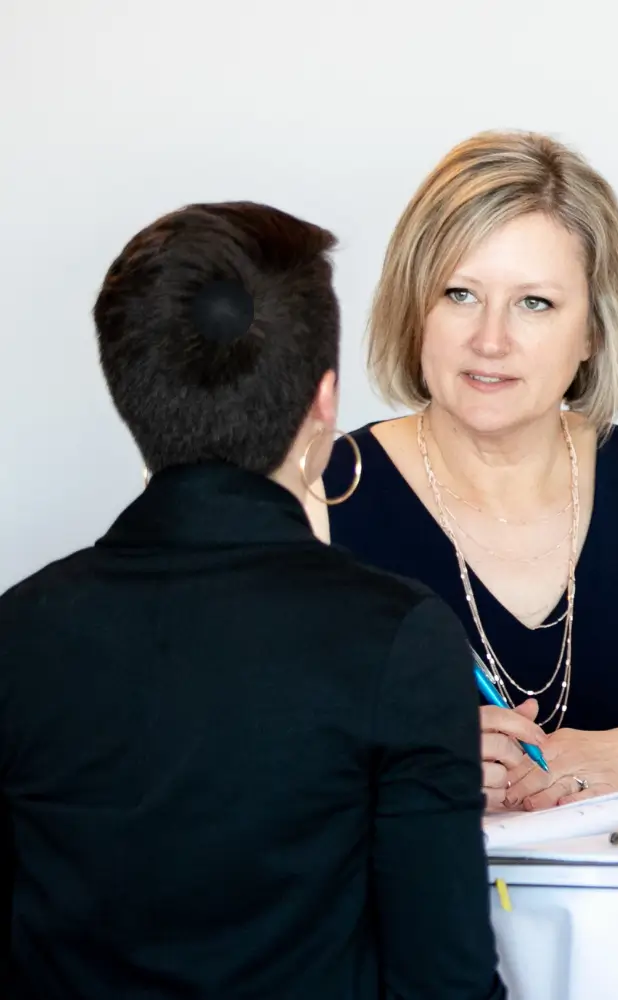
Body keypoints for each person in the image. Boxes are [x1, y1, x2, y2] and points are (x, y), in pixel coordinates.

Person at [0, 202, 505, 998]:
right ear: (325, 400)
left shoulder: (17, 635)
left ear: (126, 386)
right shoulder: (397, 639)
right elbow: (444, 982)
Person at [320, 130, 618, 812]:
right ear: (413, 308)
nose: (490, 339)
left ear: (592, 333)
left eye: (535, 303)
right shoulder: (323, 492)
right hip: (409, 918)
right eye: (459, 294)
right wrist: (414, 768)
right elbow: (245, 781)